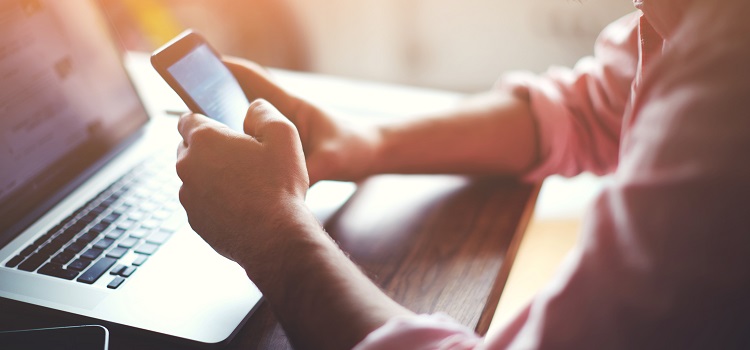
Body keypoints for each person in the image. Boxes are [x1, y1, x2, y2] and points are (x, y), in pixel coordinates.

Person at [174, 0, 750, 349]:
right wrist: (365, 143)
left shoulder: (730, 83)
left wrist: (274, 237)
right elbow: (596, 105)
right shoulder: (697, 20)